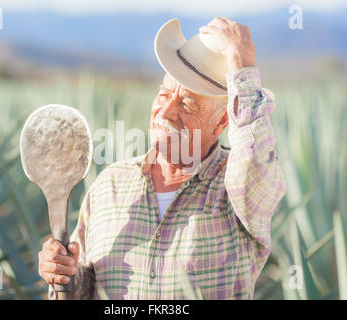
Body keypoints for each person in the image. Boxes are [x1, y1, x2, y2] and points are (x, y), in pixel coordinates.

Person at [38, 17, 286, 300]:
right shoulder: (109, 184)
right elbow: (85, 289)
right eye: (164, 94)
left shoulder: (238, 192)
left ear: (220, 124)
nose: (166, 111)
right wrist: (65, 277)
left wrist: (241, 65)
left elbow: (256, 161)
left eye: (188, 103)